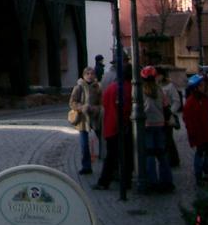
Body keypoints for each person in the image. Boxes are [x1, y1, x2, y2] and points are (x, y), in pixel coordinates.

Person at [94, 63, 132, 191]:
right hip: (122, 127)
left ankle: (104, 181)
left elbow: (104, 103)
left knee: (111, 156)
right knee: (126, 156)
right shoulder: (129, 88)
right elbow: (127, 109)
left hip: (110, 126)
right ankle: (125, 181)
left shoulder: (111, 87)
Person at [140, 65, 174, 192]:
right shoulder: (160, 90)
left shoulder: (141, 91)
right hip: (159, 125)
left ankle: (152, 181)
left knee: (149, 154)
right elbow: (166, 107)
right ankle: (166, 181)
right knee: (162, 154)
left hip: (147, 125)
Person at [183, 73, 208, 183]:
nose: (204, 87)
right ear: (196, 88)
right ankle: (199, 175)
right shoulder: (190, 103)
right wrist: (193, 133)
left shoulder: (206, 101)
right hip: (198, 134)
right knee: (200, 153)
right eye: (202, 85)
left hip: (207, 133)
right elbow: (187, 120)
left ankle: (207, 173)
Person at [69, 66, 102, 176]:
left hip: (95, 118)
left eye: (92, 74)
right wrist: (81, 107)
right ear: (83, 76)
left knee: (102, 141)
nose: (90, 76)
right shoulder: (78, 87)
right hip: (83, 119)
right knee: (84, 145)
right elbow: (72, 102)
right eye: (87, 74)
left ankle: (104, 163)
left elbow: (101, 104)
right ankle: (86, 166)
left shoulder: (97, 87)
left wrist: (95, 109)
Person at [157, 66, 182, 168]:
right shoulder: (155, 85)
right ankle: (168, 159)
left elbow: (176, 101)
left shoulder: (169, 86)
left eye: (159, 74)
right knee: (164, 139)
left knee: (168, 139)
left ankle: (173, 159)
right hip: (159, 115)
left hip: (167, 115)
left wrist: (170, 112)